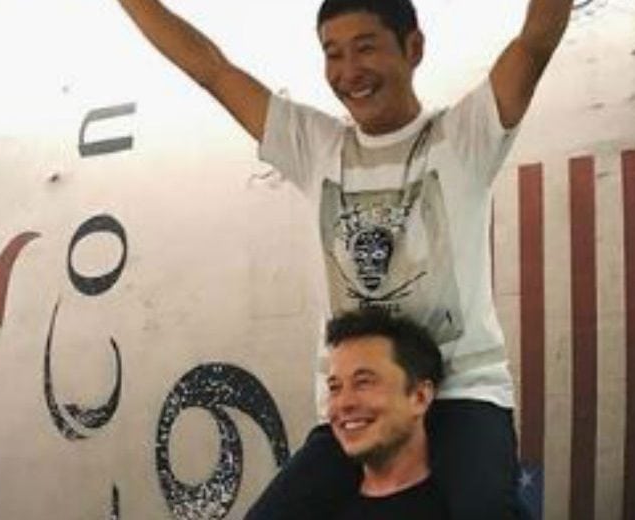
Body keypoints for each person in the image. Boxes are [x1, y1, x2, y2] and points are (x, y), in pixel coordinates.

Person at [115, 0, 572, 517]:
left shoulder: (465, 137)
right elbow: (212, 71)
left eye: (365, 48)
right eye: (333, 54)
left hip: (461, 395)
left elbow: (535, 42)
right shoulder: (317, 147)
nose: (349, 71)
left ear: (413, 48)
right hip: (359, 406)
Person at [325, 308, 447, 519]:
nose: (344, 403)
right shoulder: (314, 505)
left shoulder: (469, 505)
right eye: (335, 388)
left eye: (363, 383)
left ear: (419, 397)